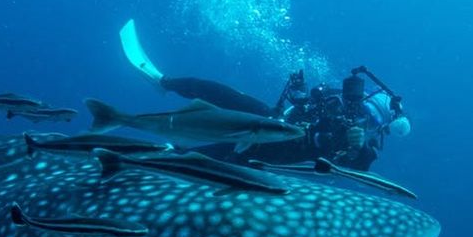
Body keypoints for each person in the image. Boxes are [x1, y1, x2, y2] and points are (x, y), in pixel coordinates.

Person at [119, 19, 410, 170]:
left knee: (192, 159)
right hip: (268, 118)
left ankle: (142, 158)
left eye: (371, 119)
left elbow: (358, 166)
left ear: (380, 128)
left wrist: (356, 147)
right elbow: (301, 102)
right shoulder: (338, 100)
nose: (361, 117)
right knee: (212, 90)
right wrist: (300, 93)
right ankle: (164, 82)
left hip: (273, 153)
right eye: (365, 109)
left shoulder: (365, 146)